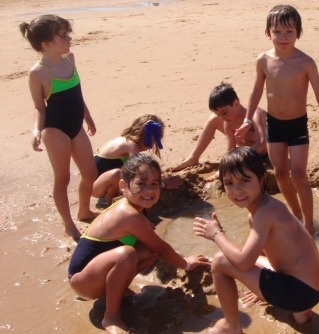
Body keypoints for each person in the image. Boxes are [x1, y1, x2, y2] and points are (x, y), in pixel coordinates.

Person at [68, 153, 210, 334]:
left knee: (146, 252)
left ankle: (114, 290)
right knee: (126, 254)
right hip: (82, 281)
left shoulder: (135, 208)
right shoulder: (128, 214)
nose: (149, 190)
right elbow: (162, 247)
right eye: (141, 184)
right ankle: (110, 316)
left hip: (94, 272)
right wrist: (186, 263)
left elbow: (154, 248)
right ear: (123, 186)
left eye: (154, 184)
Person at [193, 147, 319, 333]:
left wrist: (216, 234)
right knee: (241, 254)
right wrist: (259, 287)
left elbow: (244, 263)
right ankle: (301, 313)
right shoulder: (266, 208)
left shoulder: (265, 212)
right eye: (228, 183)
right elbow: (262, 252)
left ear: (262, 179)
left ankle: (232, 326)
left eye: (244, 181)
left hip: (300, 292)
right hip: (310, 288)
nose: (236, 190)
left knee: (220, 262)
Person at [235, 4, 319, 235]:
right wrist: (247, 120)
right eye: (277, 32)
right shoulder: (263, 60)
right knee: (280, 173)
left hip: (297, 125)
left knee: (299, 175)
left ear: (298, 33)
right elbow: (256, 92)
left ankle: (309, 223)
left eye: (289, 32)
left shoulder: (305, 62)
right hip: (274, 124)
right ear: (267, 33)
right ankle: (296, 214)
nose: (283, 37)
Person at [20, 15, 99, 241]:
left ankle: (84, 210)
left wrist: (88, 116)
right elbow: (39, 107)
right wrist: (36, 130)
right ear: (46, 43)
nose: (69, 39)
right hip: (54, 129)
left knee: (90, 173)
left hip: (76, 125)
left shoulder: (70, 59)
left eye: (68, 33)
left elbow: (78, 95)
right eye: (63, 35)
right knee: (62, 179)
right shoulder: (38, 72)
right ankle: (68, 225)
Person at [169, 82, 267, 175]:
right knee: (213, 119)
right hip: (251, 154)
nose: (223, 118)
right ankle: (193, 158)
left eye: (224, 113)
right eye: (219, 114)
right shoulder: (228, 122)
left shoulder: (255, 114)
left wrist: (238, 160)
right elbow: (231, 150)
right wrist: (225, 168)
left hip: (269, 153)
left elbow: (262, 143)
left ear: (236, 103)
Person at [92, 114, 179, 205]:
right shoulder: (131, 147)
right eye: (152, 141)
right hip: (96, 188)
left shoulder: (124, 140)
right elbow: (140, 171)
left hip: (98, 182)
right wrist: (162, 184)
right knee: (119, 174)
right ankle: (109, 200)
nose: (153, 145)